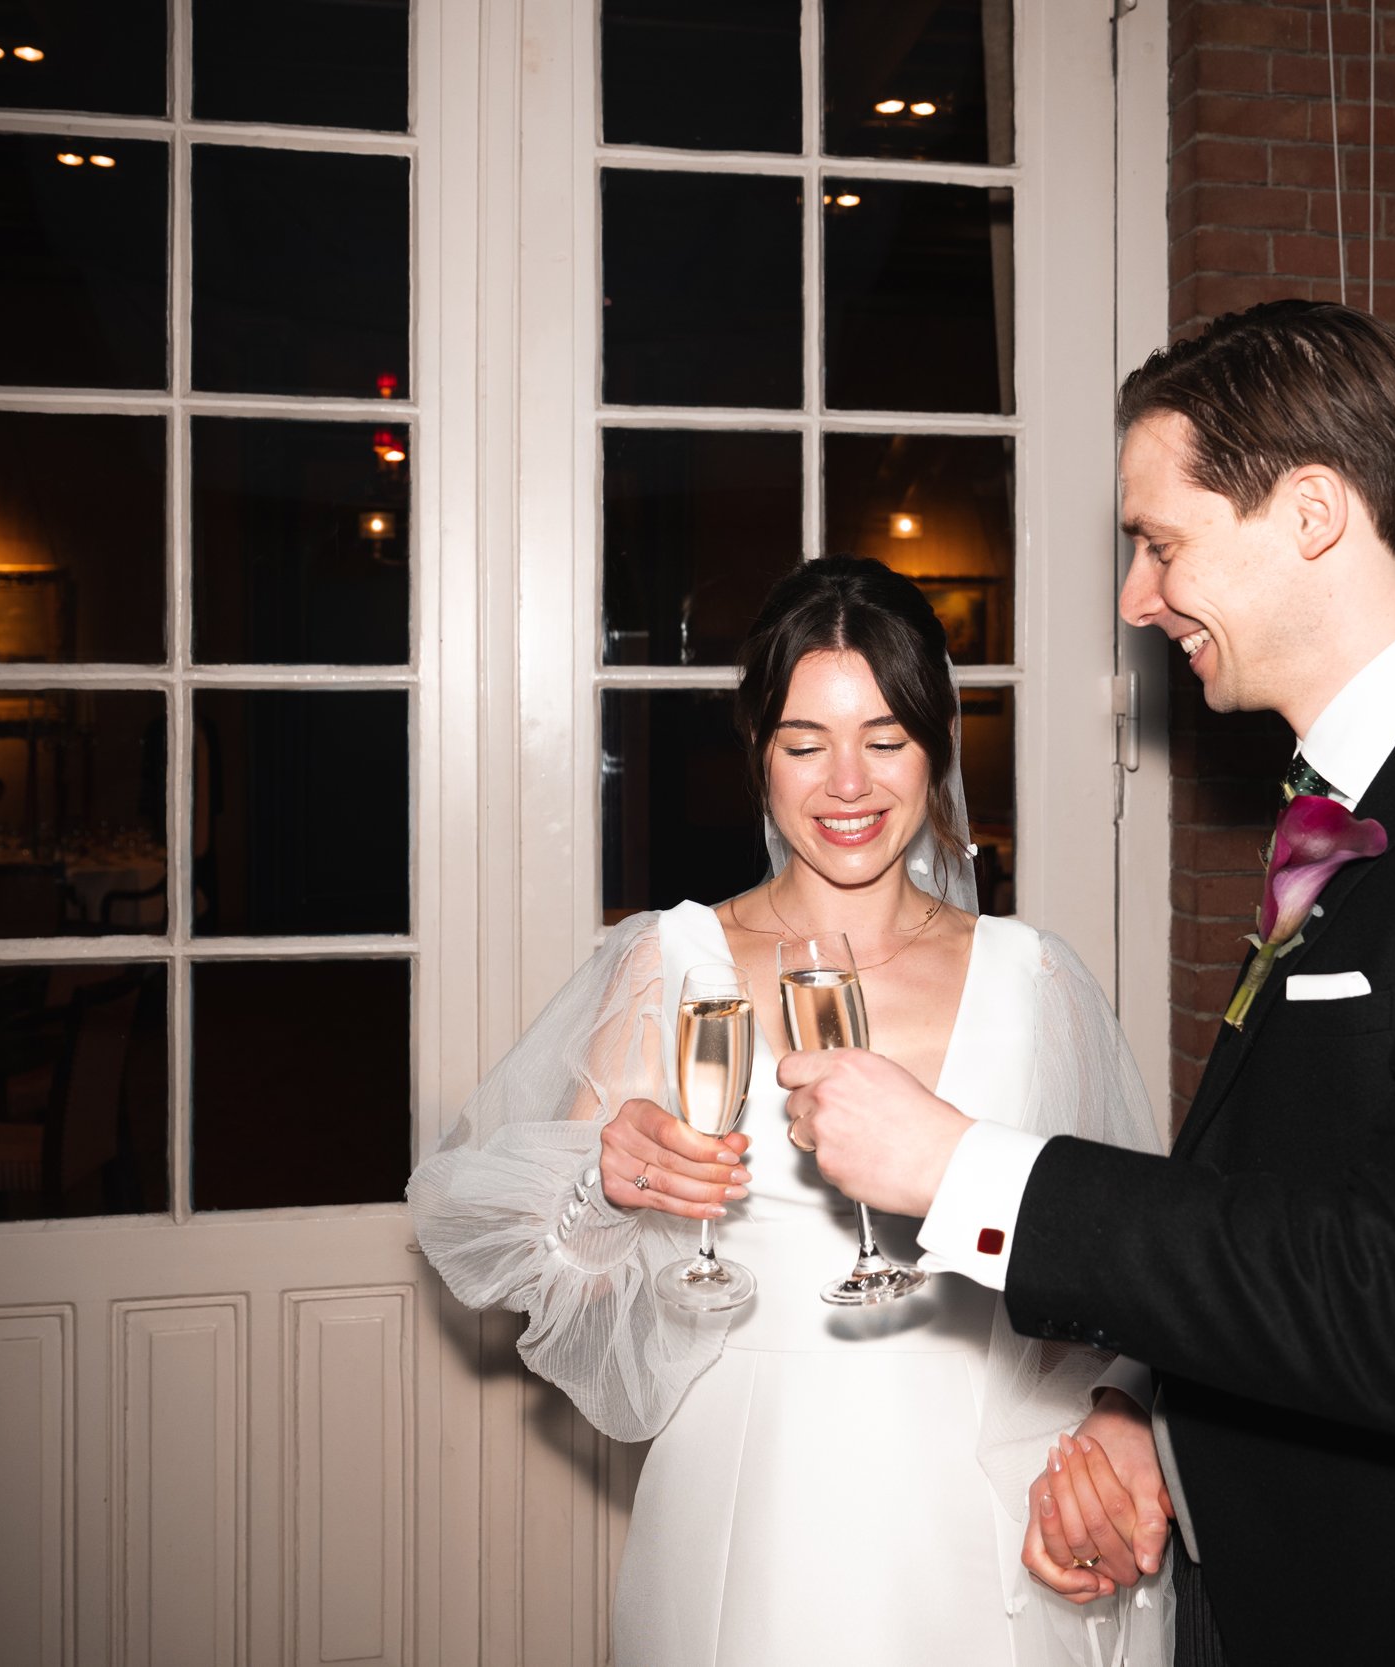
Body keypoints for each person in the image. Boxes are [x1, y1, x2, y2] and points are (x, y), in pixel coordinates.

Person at [778, 301, 1395, 1663]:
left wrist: (965, 1169)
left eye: (1161, 541)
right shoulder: (1339, 808)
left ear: (1311, 512)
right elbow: (1288, 1195)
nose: (1135, 596)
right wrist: (1151, 1418)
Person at [407, 558, 1173, 1667]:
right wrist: (604, 1183)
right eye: (805, 742)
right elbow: (549, 1284)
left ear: (937, 747)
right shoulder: (669, 962)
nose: (846, 783)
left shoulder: (1036, 975)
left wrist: (1118, 1407)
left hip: (991, 1495)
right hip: (757, 1498)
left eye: (887, 738)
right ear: (759, 755)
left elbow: (1135, 1261)